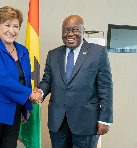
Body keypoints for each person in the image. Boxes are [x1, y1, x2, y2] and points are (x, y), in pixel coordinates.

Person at [35, 15, 113, 148]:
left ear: (83, 30)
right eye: (65, 31)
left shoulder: (98, 52)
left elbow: (105, 88)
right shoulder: (53, 54)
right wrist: (40, 92)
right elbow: (47, 80)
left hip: (86, 122)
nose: (70, 34)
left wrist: (105, 118)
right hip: (58, 121)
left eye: (75, 29)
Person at [0, 6, 42, 148]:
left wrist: (26, 108)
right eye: (7, 25)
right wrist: (30, 95)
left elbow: (25, 80)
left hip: (13, 112)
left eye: (15, 26)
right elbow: (2, 81)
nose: (11, 30)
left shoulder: (23, 50)